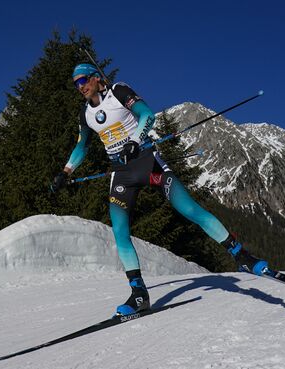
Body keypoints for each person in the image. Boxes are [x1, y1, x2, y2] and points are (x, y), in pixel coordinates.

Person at [52, 63, 267, 316]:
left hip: (146, 162)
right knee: (120, 232)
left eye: (83, 80)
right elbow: (82, 146)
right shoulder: (85, 114)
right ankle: (139, 294)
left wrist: (134, 142)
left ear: (97, 78)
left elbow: (147, 115)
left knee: (188, 209)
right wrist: (65, 172)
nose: (81, 87)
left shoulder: (119, 91)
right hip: (121, 173)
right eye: (76, 84)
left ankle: (241, 255)